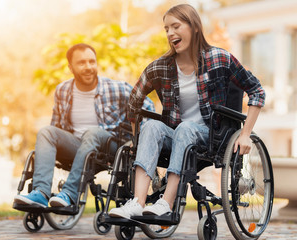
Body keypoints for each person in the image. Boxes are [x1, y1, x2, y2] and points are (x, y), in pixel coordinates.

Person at [109, 4, 265, 219]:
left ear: (194, 27)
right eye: (166, 29)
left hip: (211, 136)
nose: (170, 33)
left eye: (176, 26)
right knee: (152, 125)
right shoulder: (160, 67)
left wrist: (246, 133)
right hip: (176, 136)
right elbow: (133, 103)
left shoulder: (219, 58)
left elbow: (256, 90)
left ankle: (166, 203)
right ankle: (137, 202)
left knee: (185, 128)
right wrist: (138, 138)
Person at [14, 43, 155, 208]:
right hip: (78, 148)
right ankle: (41, 192)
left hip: (109, 148)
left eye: (91, 61)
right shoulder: (62, 90)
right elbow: (57, 128)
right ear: (70, 67)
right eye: (81, 63)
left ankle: (69, 193)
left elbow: (148, 107)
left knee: (92, 132)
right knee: (46, 132)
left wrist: (137, 140)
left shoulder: (116, 88)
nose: (88, 67)